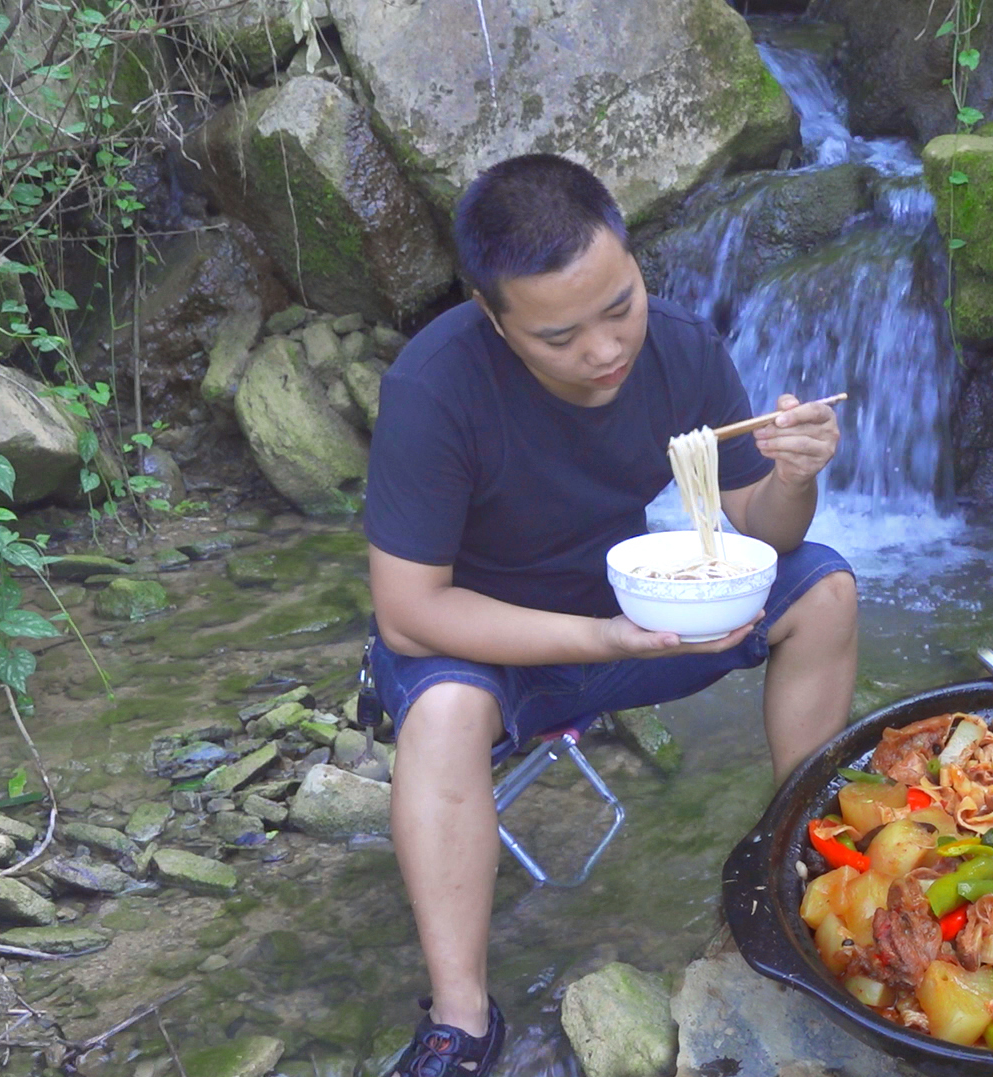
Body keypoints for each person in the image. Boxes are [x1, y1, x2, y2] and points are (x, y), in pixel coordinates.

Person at [363, 154, 859, 1077]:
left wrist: (796, 476)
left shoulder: (679, 348)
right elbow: (408, 611)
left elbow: (760, 527)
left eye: (619, 304)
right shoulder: (436, 388)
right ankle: (462, 1023)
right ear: (494, 317)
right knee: (444, 710)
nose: (604, 351)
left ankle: (803, 866)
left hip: (624, 613)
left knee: (825, 588)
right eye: (560, 336)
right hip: (476, 637)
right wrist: (602, 639)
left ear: (632, 260)